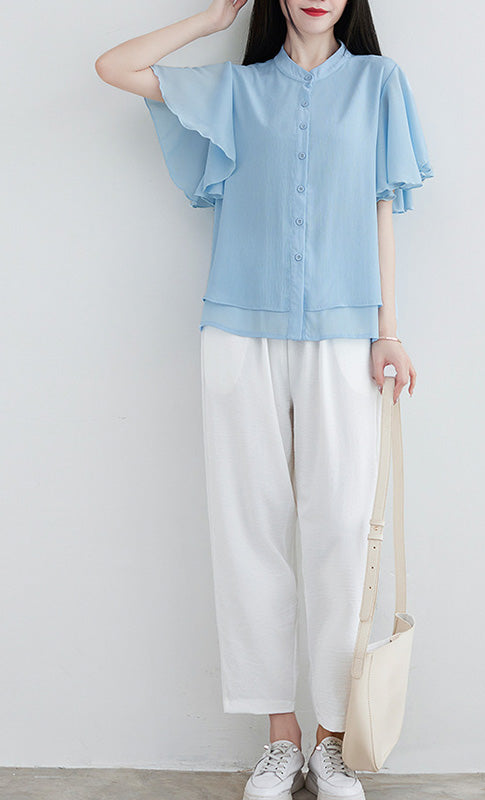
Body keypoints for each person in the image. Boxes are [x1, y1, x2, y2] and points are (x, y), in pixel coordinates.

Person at [95, 0, 433, 796]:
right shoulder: (237, 91)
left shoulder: (380, 84)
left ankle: (332, 739)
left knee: (340, 530)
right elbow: (115, 67)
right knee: (247, 529)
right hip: (238, 334)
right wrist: (213, 16)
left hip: (346, 337)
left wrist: (388, 330)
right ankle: (280, 739)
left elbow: (381, 209)